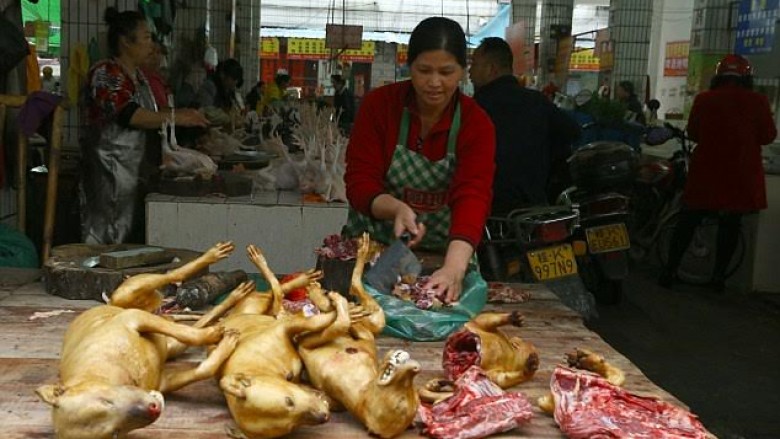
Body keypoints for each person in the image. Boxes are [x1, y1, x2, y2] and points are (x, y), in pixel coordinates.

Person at [344, 17, 496, 303]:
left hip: (445, 256)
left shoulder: (476, 123)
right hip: (372, 253)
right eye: (424, 70)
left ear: (463, 71)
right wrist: (396, 208)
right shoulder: (380, 106)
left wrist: (453, 268)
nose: (434, 83)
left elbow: (473, 195)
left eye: (446, 72)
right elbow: (359, 182)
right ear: (408, 66)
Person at [81, 8, 209, 244]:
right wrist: (177, 118)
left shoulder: (139, 78)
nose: (153, 45)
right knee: (105, 243)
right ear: (125, 42)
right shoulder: (106, 73)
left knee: (133, 243)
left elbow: (151, 112)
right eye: (147, 37)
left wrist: (183, 114)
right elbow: (128, 114)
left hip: (138, 176)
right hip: (109, 175)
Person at [659, 54, 777, 292]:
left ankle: (669, 271)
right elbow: (768, 136)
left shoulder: (704, 99)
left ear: (718, 76)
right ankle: (718, 278)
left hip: (707, 171)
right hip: (740, 174)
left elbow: (693, 133)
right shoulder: (759, 101)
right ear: (746, 77)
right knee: (730, 224)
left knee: (689, 220)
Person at [470, 37, 580, 213]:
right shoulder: (537, 102)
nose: (469, 72)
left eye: (474, 65)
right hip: (534, 209)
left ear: (491, 69)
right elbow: (573, 133)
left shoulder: (473, 109)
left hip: (485, 213)